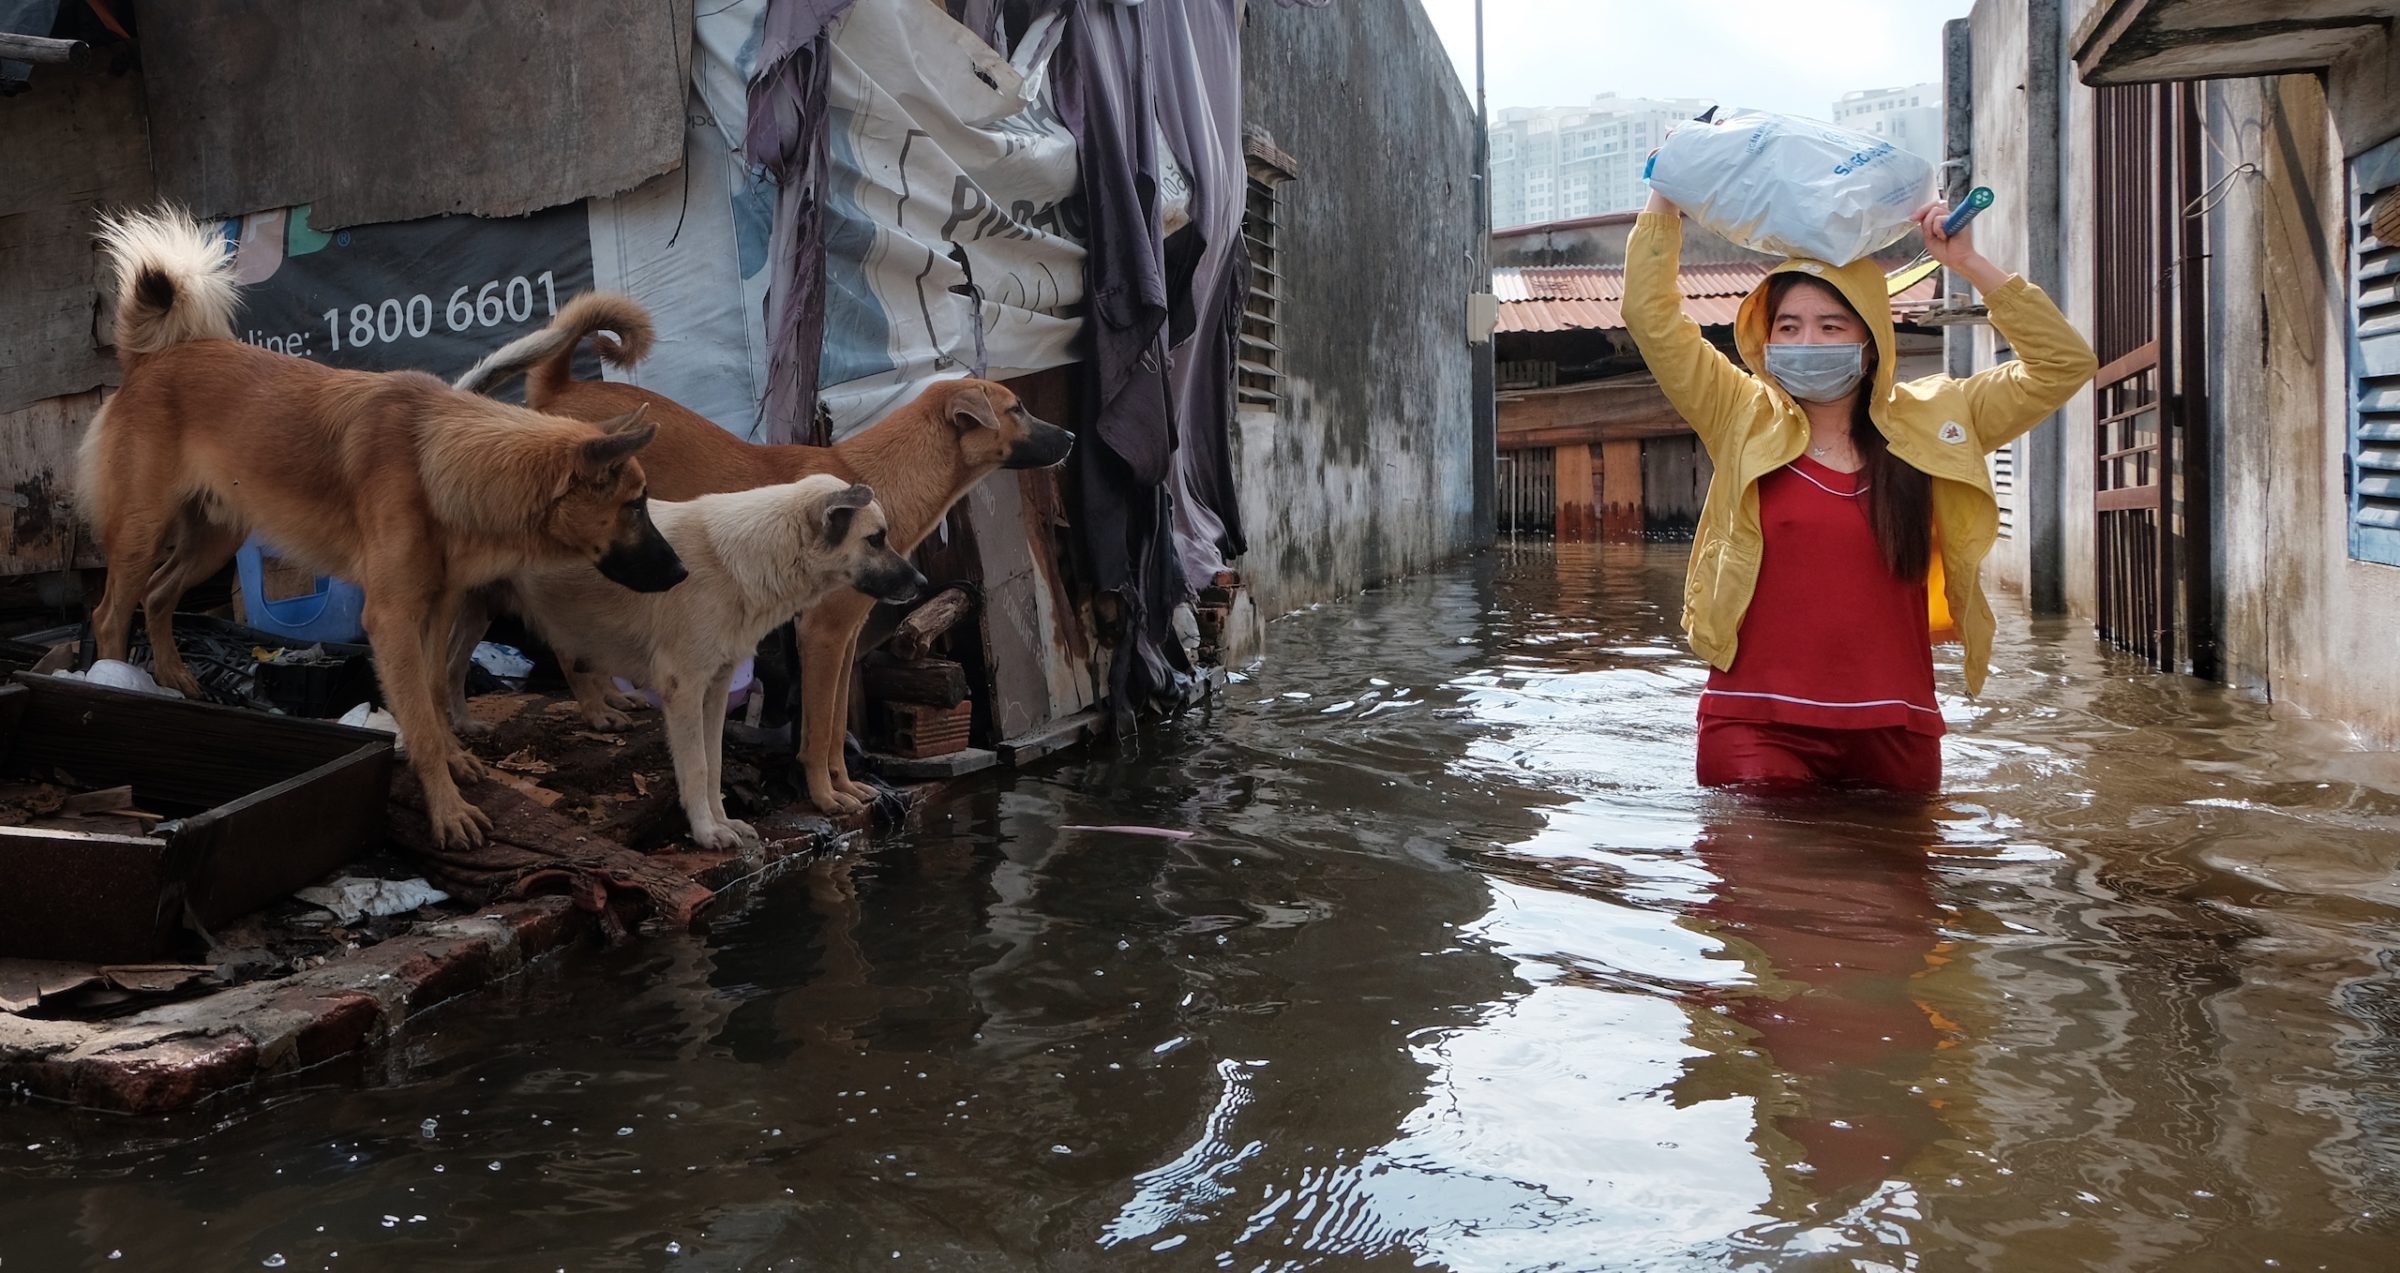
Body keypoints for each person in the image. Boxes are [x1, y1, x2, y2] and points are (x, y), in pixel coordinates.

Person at [1627, 188, 2097, 792]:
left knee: (1897, 885)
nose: (1807, 343)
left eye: (1830, 326)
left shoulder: (1940, 419)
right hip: (1755, 723)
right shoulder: (1738, 413)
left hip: (1898, 727)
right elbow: (1652, 318)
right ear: (1766, 341)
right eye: (1789, 327)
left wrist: (1968, 264)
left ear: (1870, 341)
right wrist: (1666, 198)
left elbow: (2063, 364)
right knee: (1758, 885)